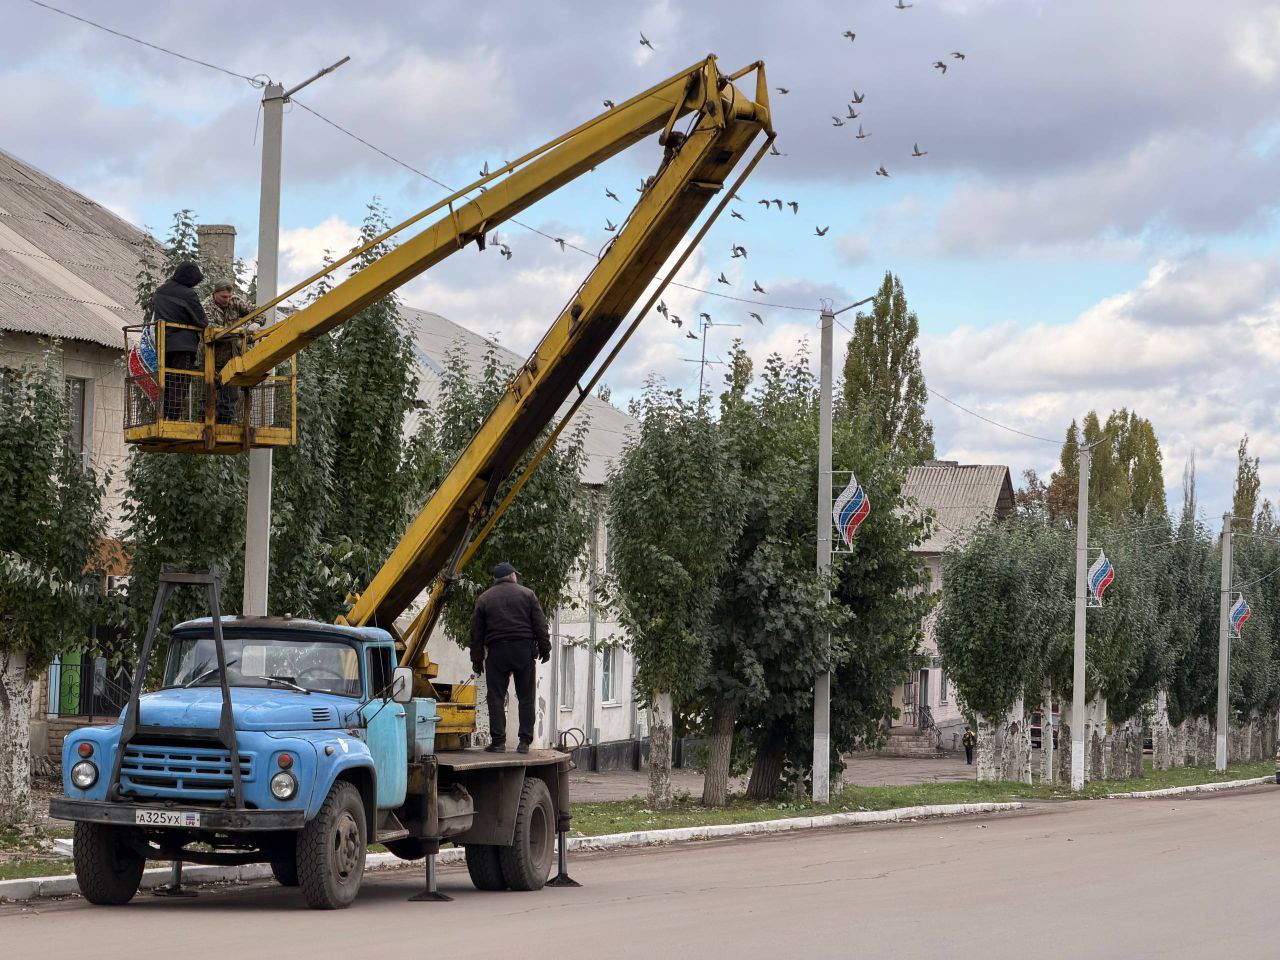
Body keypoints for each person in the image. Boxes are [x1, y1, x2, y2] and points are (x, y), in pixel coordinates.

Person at [470, 562, 551, 753]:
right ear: (512, 575)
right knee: (526, 697)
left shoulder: (484, 598)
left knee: (496, 697)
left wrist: (477, 659)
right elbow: (540, 625)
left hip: (497, 652)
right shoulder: (528, 594)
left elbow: (476, 633)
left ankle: (498, 742)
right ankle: (524, 742)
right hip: (523, 650)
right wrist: (545, 649)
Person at [150, 261, 207, 421]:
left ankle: (162, 416)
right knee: (179, 382)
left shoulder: (160, 291)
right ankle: (173, 419)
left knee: (165, 380)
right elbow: (202, 321)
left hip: (163, 344)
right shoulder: (188, 294)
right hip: (183, 345)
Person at [201, 281, 258, 423]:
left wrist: (256, 322)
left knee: (230, 397)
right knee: (208, 395)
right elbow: (213, 331)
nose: (227, 300)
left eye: (229, 296)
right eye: (223, 297)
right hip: (211, 357)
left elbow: (258, 312)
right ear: (214, 294)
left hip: (232, 357)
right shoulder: (206, 307)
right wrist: (243, 330)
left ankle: (224, 426)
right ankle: (205, 425)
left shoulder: (235, 301)